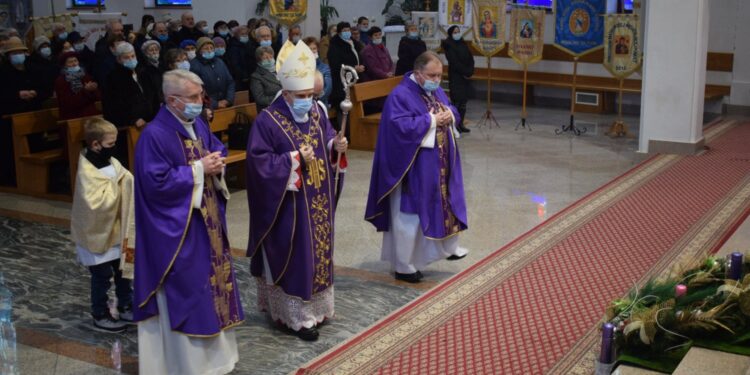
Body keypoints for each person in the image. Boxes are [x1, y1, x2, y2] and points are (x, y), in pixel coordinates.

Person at [134, 69, 244, 375]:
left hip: (206, 224)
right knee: (191, 289)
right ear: (172, 100)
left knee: (213, 288)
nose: (200, 102)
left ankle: (219, 359)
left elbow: (214, 149)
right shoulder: (155, 135)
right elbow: (154, 184)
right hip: (179, 232)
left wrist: (217, 161)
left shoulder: (194, 123)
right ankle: (187, 365)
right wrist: (198, 170)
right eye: (194, 97)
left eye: (201, 95)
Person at [245, 41, 348, 342]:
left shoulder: (316, 111)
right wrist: (292, 160)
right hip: (287, 205)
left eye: (312, 96)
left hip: (317, 198)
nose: (309, 101)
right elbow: (258, 164)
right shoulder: (267, 121)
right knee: (296, 255)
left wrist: (335, 147)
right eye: (302, 96)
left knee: (317, 253)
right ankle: (297, 318)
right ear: (286, 94)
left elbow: (326, 138)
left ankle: (318, 308)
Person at [364, 51, 468, 284]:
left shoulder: (435, 90)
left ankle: (436, 252)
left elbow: (451, 109)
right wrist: (431, 121)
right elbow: (398, 128)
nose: (437, 80)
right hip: (411, 168)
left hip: (437, 165)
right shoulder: (400, 95)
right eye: (432, 75)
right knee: (409, 216)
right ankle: (404, 265)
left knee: (439, 208)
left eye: (440, 75)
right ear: (418, 73)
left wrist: (450, 115)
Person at [71, 118, 134, 332]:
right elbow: (94, 203)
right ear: (95, 144)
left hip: (117, 230)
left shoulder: (111, 161)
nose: (114, 148)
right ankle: (99, 313)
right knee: (102, 276)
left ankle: (126, 305)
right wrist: (120, 187)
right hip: (96, 232)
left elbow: (125, 177)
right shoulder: (87, 171)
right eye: (110, 144)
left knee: (123, 270)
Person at [0, 37, 54, 185]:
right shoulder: (4, 72)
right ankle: (14, 179)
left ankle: (39, 180)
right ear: (8, 56)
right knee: (11, 150)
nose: (18, 55)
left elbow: (46, 88)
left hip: (34, 112)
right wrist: (18, 95)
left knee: (37, 143)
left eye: (20, 52)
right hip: (11, 116)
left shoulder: (32, 69)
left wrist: (36, 93)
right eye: (14, 53)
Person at [328, 22, 365, 132]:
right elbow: (336, 64)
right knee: (343, 108)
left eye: (348, 30)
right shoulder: (335, 46)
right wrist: (354, 67)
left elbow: (357, 56)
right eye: (344, 31)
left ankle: (355, 133)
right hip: (342, 82)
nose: (347, 32)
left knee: (353, 108)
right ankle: (344, 132)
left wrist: (360, 66)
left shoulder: (352, 42)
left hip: (354, 80)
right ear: (339, 32)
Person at [442, 25, 474, 133]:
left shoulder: (463, 43)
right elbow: (454, 62)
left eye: (458, 31)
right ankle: (454, 125)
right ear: (451, 34)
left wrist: (470, 72)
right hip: (456, 76)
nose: (457, 34)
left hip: (465, 77)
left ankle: (461, 124)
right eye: (455, 32)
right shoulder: (449, 45)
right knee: (457, 102)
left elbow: (470, 58)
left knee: (464, 102)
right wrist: (465, 72)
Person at [190, 37, 235, 109]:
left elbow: (230, 82)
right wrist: (215, 104)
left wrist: (228, 100)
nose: (209, 50)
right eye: (206, 48)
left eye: (211, 48)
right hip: (207, 107)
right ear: (199, 51)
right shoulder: (194, 66)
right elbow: (197, 90)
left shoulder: (220, 62)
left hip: (226, 104)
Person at [55, 51, 100, 120]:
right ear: (64, 65)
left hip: (89, 113)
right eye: (70, 62)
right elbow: (68, 103)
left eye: (75, 61)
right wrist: (85, 91)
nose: (74, 64)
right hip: (72, 115)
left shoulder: (85, 76)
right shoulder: (61, 81)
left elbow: (96, 97)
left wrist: (93, 90)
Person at [249, 46, 281, 111]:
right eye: (265, 58)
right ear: (259, 60)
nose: (269, 60)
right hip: (269, 110)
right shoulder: (256, 76)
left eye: (271, 57)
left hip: (284, 106)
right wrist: (280, 98)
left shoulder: (280, 70)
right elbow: (260, 99)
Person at [225, 25, 255, 90]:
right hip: (240, 79)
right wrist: (244, 75)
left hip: (251, 76)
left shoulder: (250, 44)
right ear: (236, 35)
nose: (245, 36)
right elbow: (235, 64)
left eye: (246, 34)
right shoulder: (233, 47)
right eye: (242, 34)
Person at [304, 37, 332, 106]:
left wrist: (315, 101)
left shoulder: (325, 67)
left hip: (320, 104)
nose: (313, 51)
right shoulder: (300, 67)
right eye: (310, 49)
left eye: (314, 48)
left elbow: (328, 88)